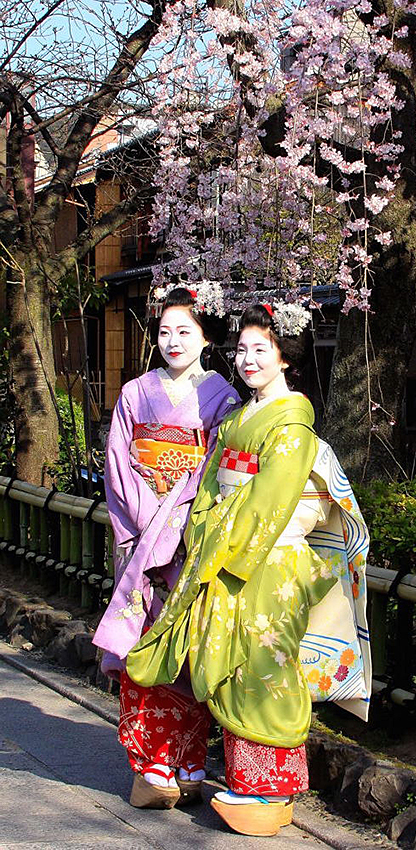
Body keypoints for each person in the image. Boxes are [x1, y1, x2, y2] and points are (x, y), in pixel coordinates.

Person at [126, 302, 371, 836]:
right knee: (229, 664)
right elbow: (212, 484)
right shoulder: (239, 418)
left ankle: (270, 788)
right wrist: (201, 529)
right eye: (241, 349)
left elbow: (270, 500)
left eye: (262, 350)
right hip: (227, 551)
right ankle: (245, 782)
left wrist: (223, 543)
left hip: (269, 559)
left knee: (263, 666)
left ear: (286, 359)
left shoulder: (293, 425)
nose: (248, 360)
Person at [93, 284, 240, 810]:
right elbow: (118, 462)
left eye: (184, 331)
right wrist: (151, 519)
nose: (173, 341)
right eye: (163, 332)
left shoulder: (224, 398)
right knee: (145, 641)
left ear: (205, 338)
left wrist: (177, 521)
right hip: (142, 537)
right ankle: (152, 764)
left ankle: (191, 762)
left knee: (188, 645)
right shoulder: (135, 392)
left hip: (187, 540)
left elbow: (218, 471)